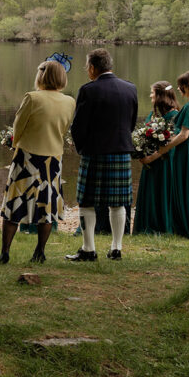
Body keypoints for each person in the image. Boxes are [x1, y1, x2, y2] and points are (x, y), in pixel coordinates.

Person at [0, 60, 75, 263]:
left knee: (15, 204)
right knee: (47, 207)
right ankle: (39, 251)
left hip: (28, 157)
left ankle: (5, 252)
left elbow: (18, 128)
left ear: (41, 76)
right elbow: (64, 128)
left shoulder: (32, 98)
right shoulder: (69, 101)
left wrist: (15, 142)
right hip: (53, 160)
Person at [67, 48, 137, 262]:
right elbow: (131, 123)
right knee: (118, 202)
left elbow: (78, 126)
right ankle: (116, 248)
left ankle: (89, 249)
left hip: (95, 152)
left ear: (92, 68)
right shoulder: (130, 88)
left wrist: (82, 149)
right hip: (121, 150)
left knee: (87, 201)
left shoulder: (88, 90)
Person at [142, 70, 189, 242]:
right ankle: (185, 223)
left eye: (181, 85)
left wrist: (162, 150)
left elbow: (184, 135)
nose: (178, 89)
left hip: (187, 149)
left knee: (184, 186)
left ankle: (186, 226)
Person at [133, 81, 180, 235]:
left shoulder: (174, 116)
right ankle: (145, 226)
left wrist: (151, 158)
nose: (150, 95)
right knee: (149, 192)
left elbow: (172, 142)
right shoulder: (155, 114)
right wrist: (139, 149)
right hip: (150, 161)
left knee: (161, 191)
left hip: (164, 161)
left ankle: (161, 226)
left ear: (160, 95)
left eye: (152, 92)